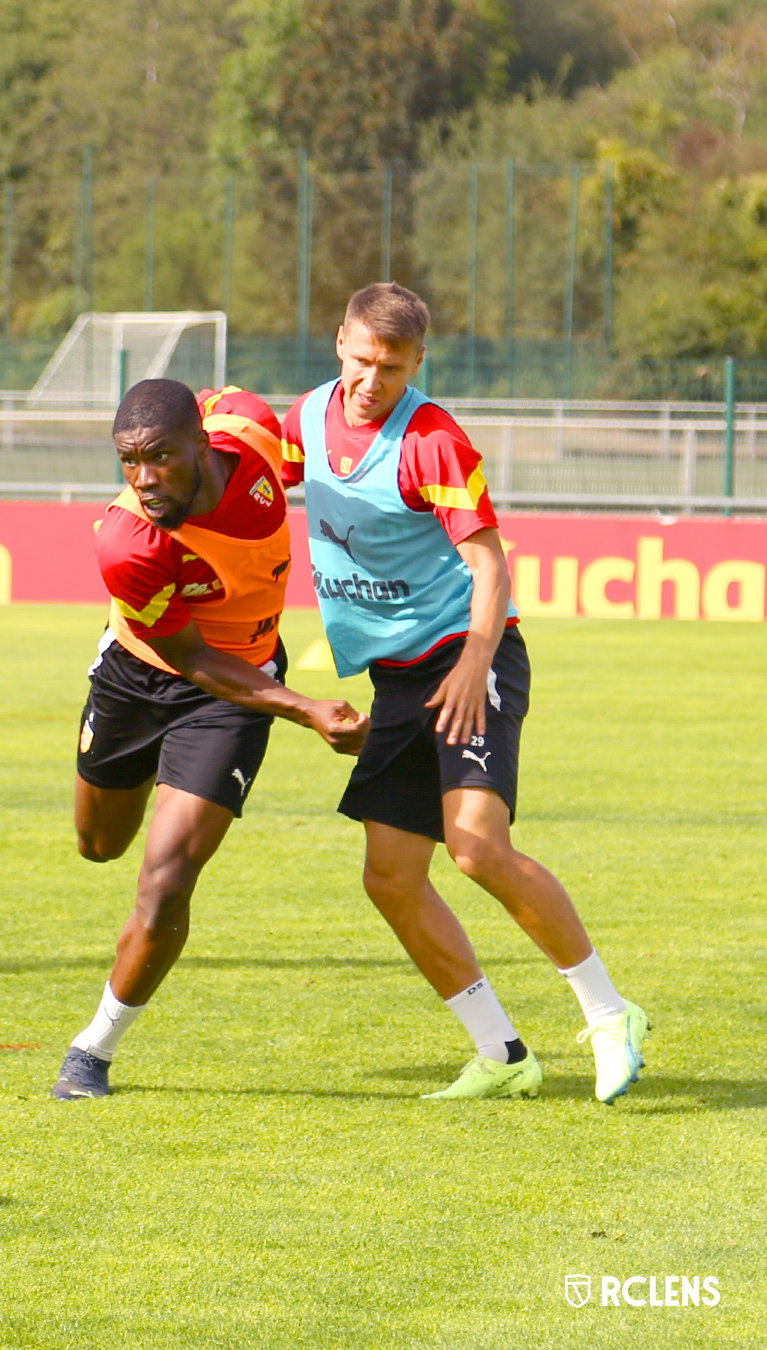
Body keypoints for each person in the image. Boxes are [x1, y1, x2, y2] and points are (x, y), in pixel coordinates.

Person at [281, 282, 649, 1103]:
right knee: (390, 876)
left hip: (469, 656)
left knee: (476, 845)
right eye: (364, 360)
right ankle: (503, 1053)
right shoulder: (304, 421)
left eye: (394, 366)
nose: (374, 380)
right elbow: (250, 485)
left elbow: (490, 563)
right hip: (399, 676)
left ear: (418, 362)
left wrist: (477, 660)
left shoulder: (432, 440)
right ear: (339, 339)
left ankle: (610, 1012)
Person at [52, 379, 369, 1099]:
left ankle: (92, 1051)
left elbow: (323, 451)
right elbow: (192, 658)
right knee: (98, 845)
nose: (145, 478)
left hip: (234, 694)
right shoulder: (126, 540)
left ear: (202, 441)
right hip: (137, 677)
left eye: (161, 456)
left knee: (165, 881)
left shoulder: (250, 431)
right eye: (129, 461)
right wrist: (308, 709)